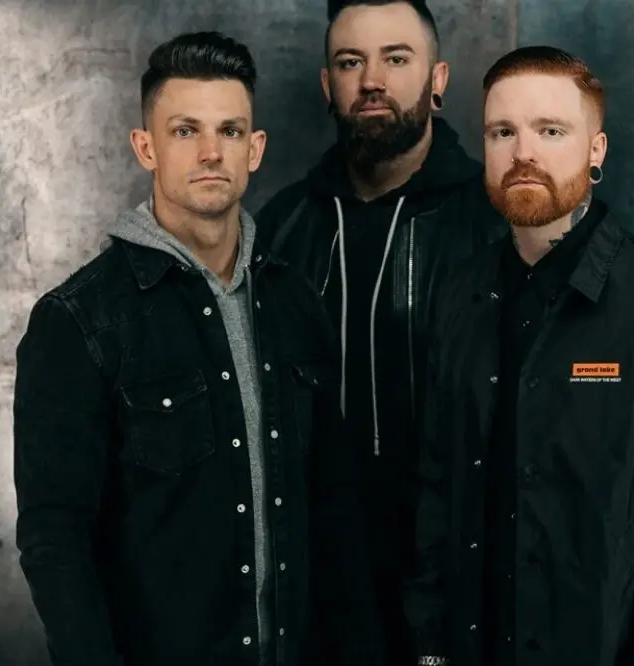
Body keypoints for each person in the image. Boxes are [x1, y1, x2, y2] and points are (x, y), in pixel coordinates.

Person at [12, 31, 377, 666]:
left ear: (254, 149)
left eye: (230, 131)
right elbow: (55, 542)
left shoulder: (295, 303)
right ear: (145, 147)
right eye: (185, 131)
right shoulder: (77, 321)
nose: (211, 152)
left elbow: (335, 511)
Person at [404, 45, 634, 666]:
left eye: (550, 131)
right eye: (502, 132)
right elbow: (437, 495)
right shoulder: (459, 296)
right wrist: (430, 648)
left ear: (596, 150)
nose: (523, 152)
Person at [254, 2, 506, 663]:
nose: (372, 80)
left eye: (396, 59)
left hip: (460, 583)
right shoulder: (281, 228)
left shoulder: (495, 223)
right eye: (350, 62)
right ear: (327, 85)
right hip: (316, 593)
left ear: (437, 79)